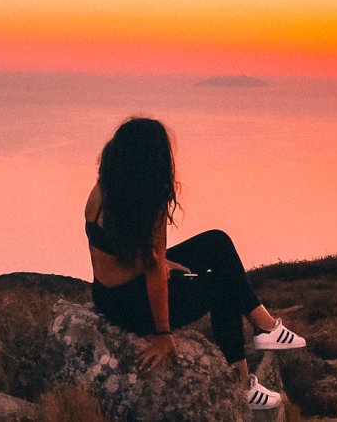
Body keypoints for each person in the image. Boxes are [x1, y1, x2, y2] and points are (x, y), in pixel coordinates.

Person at [85, 117, 304, 411]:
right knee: (221, 288)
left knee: (216, 241)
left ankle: (264, 325)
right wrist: (163, 335)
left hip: (107, 295)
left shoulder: (102, 191)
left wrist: (160, 262)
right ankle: (242, 384)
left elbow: (113, 256)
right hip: (134, 305)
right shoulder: (151, 203)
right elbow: (152, 272)